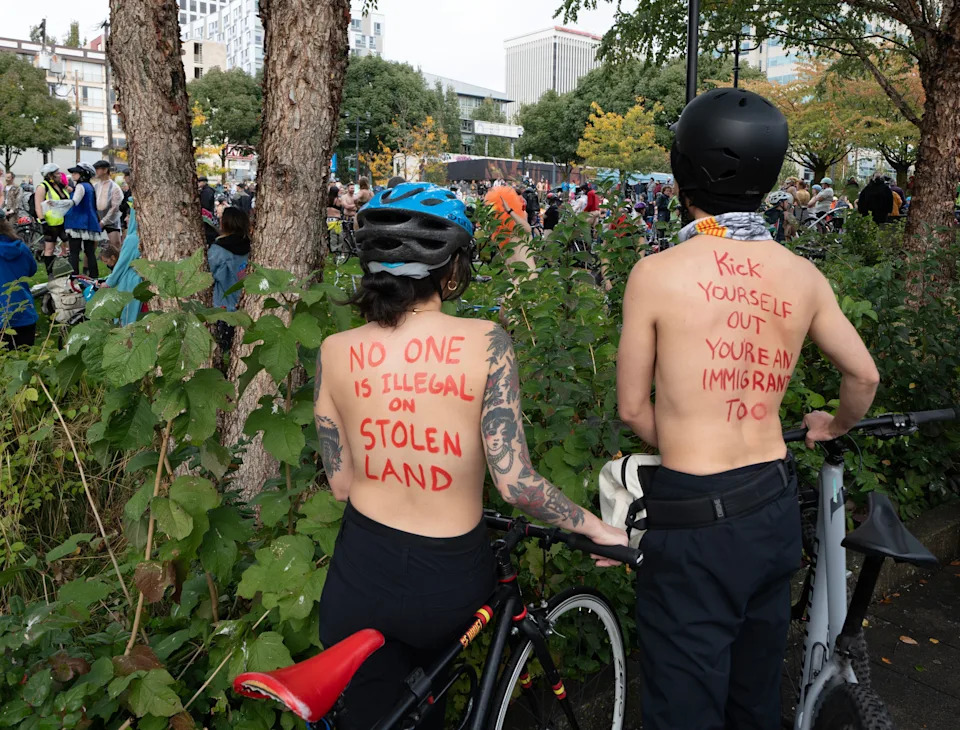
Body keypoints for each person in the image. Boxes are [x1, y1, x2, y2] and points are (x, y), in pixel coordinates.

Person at [313, 182, 627, 730]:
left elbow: (340, 484)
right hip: (446, 579)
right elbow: (514, 480)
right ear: (451, 270)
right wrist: (595, 527)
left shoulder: (336, 351)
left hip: (359, 573)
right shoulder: (486, 342)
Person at [617, 87, 879, 730]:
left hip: (692, 511)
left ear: (684, 174)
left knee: (683, 704)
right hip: (770, 505)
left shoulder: (657, 273)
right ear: (770, 176)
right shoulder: (801, 275)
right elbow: (864, 373)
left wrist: (675, 440)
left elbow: (631, 409)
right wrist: (834, 423)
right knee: (754, 696)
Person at [209, 206, 251, 353]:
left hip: (223, 307)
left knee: (222, 348)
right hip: (246, 305)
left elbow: (208, 274)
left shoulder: (218, 249)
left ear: (224, 224)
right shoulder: (252, 246)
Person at [102, 198, 144, 327]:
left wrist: (109, 282)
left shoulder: (132, 238)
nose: (125, 219)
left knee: (128, 315)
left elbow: (122, 264)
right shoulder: (142, 235)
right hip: (139, 277)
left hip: (131, 281)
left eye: (128, 215)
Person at [0, 216, 39, 349]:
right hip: (25, 314)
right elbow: (31, 270)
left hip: (3, 319)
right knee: (24, 363)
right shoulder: (21, 247)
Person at [63, 163, 105, 278]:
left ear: (83, 174)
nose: (73, 175)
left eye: (76, 173)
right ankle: (94, 276)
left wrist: (59, 204)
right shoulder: (89, 186)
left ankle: (74, 277)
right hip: (89, 221)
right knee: (90, 252)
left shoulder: (80, 186)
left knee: (74, 253)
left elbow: (75, 201)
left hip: (77, 221)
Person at [35, 163, 71, 276]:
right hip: (50, 223)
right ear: (50, 175)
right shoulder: (42, 187)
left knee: (68, 246)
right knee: (49, 249)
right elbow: (38, 206)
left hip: (63, 221)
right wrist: (43, 221)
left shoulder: (60, 186)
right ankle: (50, 273)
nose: (60, 175)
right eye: (57, 173)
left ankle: (66, 270)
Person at [93, 161, 124, 252]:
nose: (96, 171)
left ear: (105, 170)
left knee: (115, 245)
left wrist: (103, 222)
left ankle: (117, 266)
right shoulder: (95, 186)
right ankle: (88, 266)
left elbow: (115, 207)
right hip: (97, 218)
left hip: (111, 220)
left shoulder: (115, 187)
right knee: (91, 246)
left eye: (98, 169)